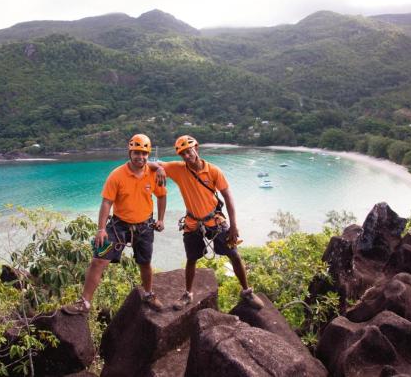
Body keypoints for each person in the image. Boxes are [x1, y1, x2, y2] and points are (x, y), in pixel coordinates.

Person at [150, 135, 264, 310]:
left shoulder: (213, 171)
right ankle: (188, 294)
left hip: (214, 220)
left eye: (189, 151)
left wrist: (233, 225)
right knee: (191, 259)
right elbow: (150, 163)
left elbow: (228, 197)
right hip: (193, 222)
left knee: (234, 254)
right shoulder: (179, 169)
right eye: (183, 154)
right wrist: (159, 168)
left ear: (197, 148)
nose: (187, 156)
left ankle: (247, 291)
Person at [62, 134, 167, 315]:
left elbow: (162, 195)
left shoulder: (153, 174)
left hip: (144, 225)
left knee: (145, 263)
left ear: (148, 154)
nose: (140, 157)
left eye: (144, 154)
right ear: (130, 152)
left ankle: (149, 294)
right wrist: (101, 229)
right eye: (136, 153)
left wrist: (161, 219)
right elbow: (106, 203)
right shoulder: (117, 175)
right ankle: (84, 303)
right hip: (119, 225)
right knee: (98, 260)